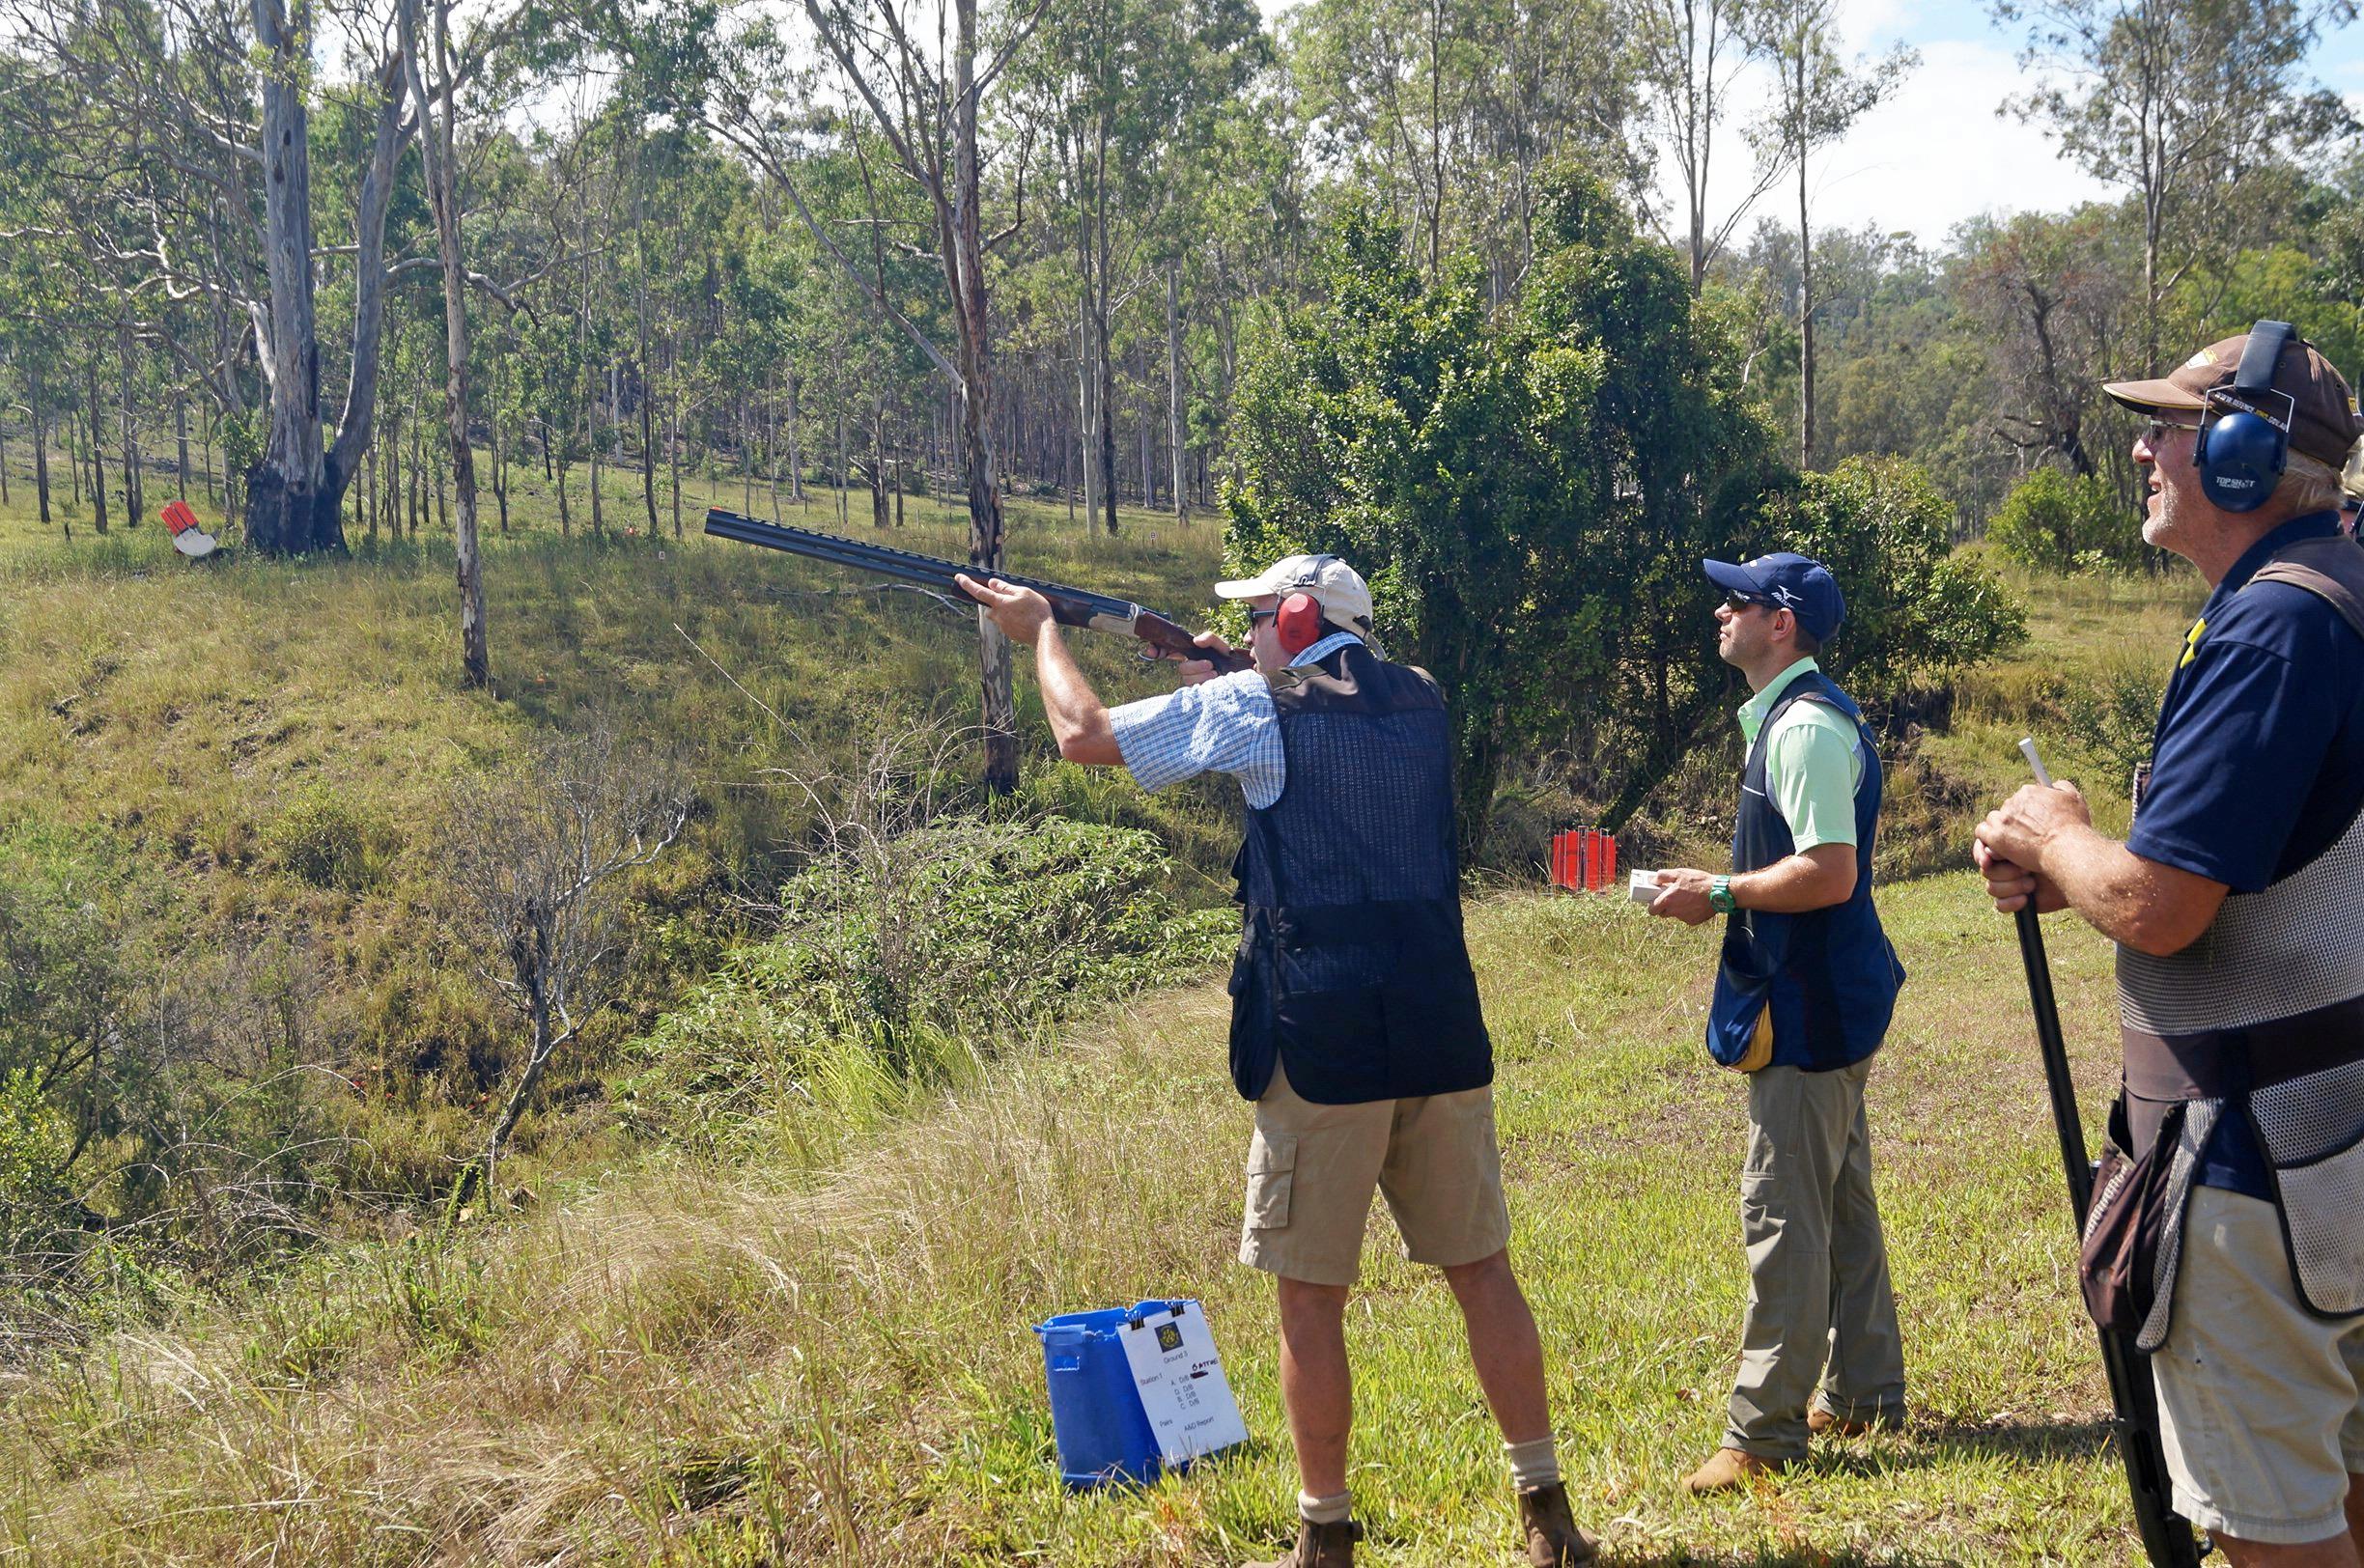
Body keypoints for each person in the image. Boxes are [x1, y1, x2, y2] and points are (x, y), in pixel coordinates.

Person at [958, 555, 1597, 1567]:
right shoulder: (1422, 698)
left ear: (1297, 619)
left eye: (1258, 618)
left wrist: (1041, 628)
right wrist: (1218, 676)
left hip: (1323, 1039)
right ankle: (1549, 1511)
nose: (1248, 633)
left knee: (1308, 1296)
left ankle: (1325, 1536)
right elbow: (1327, 735)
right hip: (1437, 1026)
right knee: (1484, 1274)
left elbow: (1082, 735)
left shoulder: (1259, 704)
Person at [1976, 324, 2364, 1568]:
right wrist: (2073, 873)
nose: (2143, 447)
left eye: (2172, 426)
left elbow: (2163, 908)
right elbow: (2267, 856)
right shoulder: (2339, 587)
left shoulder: (2268, 628)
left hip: (2262, 1154)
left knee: (2275, 1528)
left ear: (2247, 456)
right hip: (2335, 1129)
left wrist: (2058, 832)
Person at [1646, 551, 1909, 1494]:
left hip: (1809, 1005)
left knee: (1783, 1213)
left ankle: (1761, 1432)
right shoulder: (1806, 717)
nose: (1722, 610)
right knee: (1837, 1198)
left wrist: (1714, 891)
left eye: (1739, 600)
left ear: (1781, 623)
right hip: (1829, 996)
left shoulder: (1799, 731)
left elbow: (1828, 870)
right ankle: (1869, 1392)